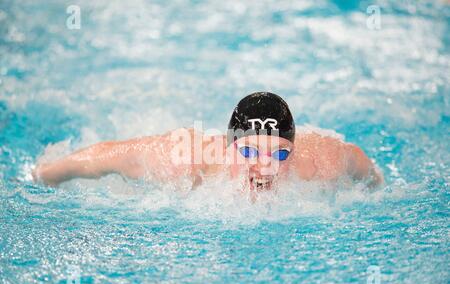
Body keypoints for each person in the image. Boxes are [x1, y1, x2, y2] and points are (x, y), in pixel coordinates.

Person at [32, 92, 383, 191]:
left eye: (279, 153)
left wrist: (380, 188)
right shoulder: (185, 160)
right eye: (248, 151)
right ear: (228, 146)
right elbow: (105, 156)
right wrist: (43, 175)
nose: (263, 165)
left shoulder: (321, 161)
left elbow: (362, 165)